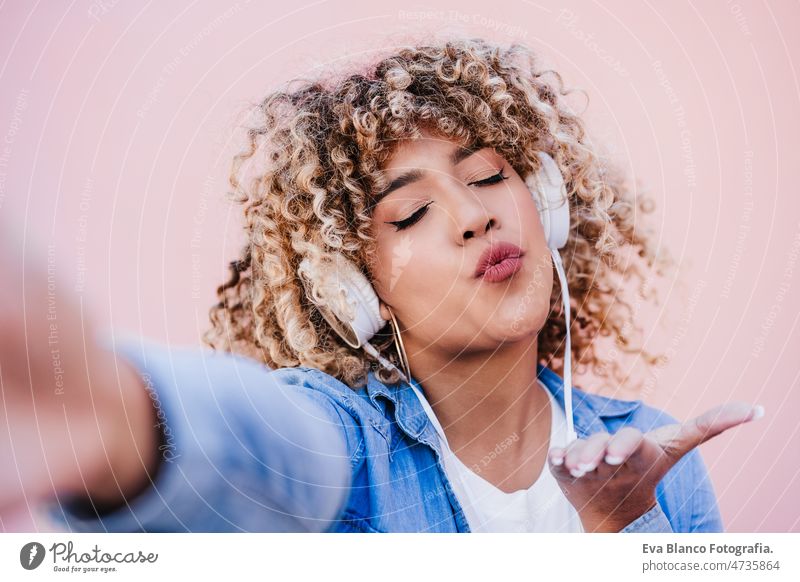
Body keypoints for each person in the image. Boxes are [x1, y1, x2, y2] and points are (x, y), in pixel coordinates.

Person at [0, 37, 761, 534]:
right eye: (413, 212)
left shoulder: (658, 459)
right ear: (349, 289)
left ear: (549, 207)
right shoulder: (344, 444)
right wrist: (116, 417)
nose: (472, 216)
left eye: (490, 176)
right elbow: (266, 445)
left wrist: (623, 524)